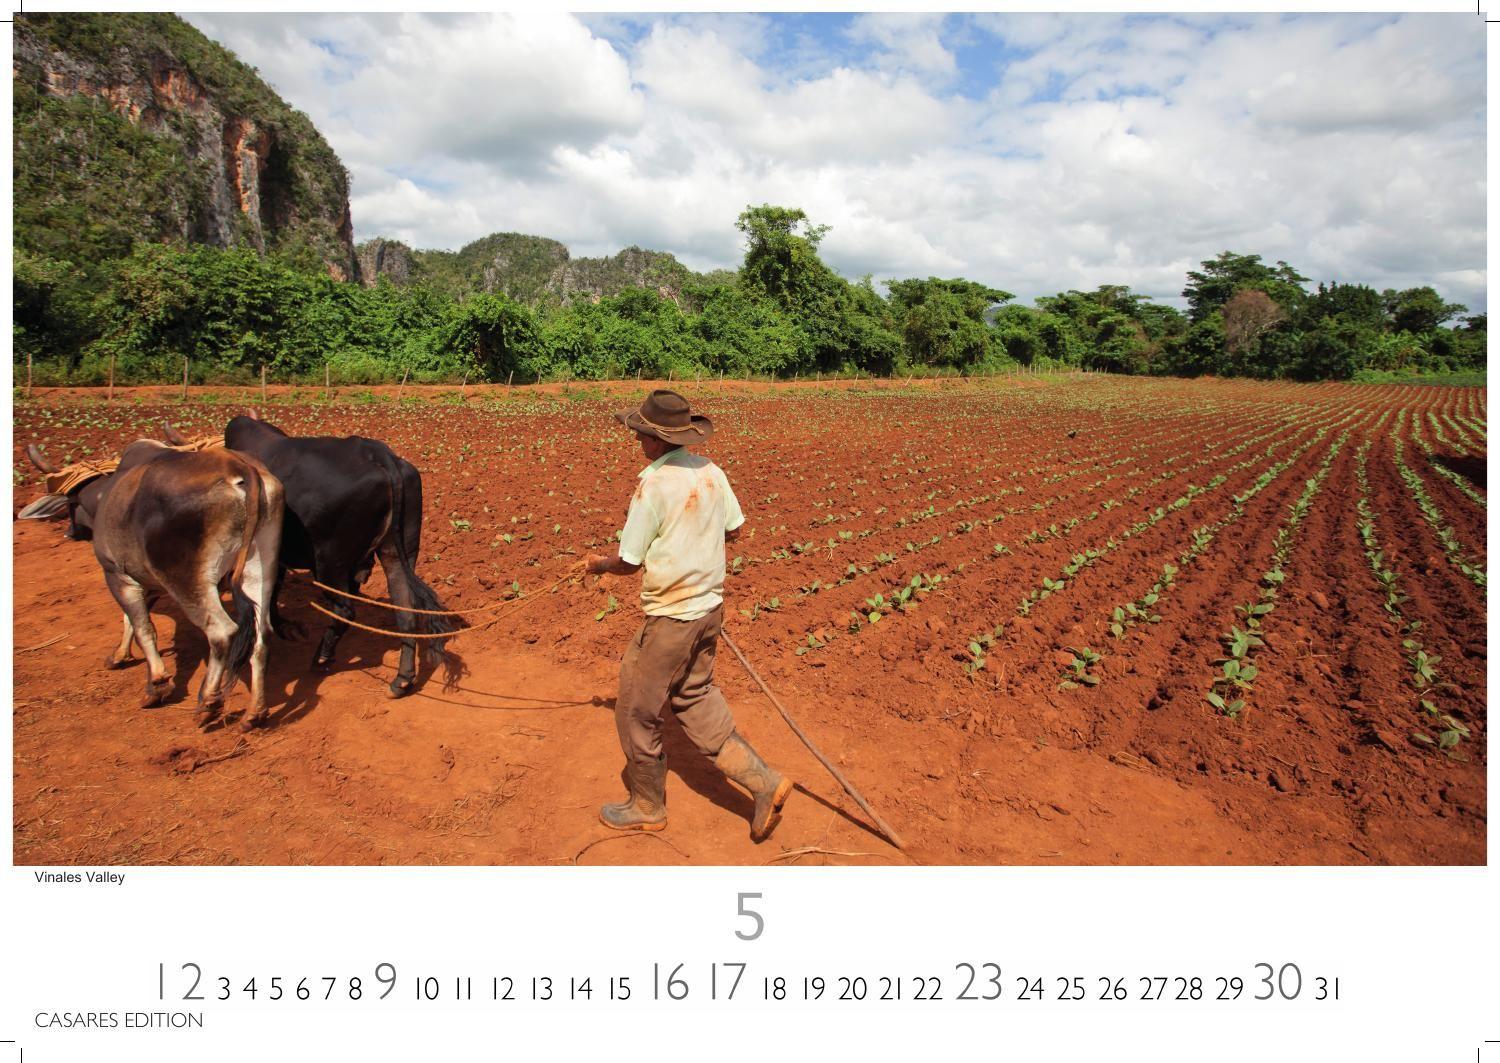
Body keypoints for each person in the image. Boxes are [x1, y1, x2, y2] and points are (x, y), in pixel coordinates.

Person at [585, 389, 794, 841]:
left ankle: (646, 805)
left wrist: (595, 566)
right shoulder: (711, 471)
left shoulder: (653, 484)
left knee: (637, 711)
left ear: (657, 440)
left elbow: (630, 561)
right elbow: (734, 530)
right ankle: (765, 784)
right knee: (695, 696)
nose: (638, 441)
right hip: (709, 611)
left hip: (672, 618)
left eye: (641, 434)